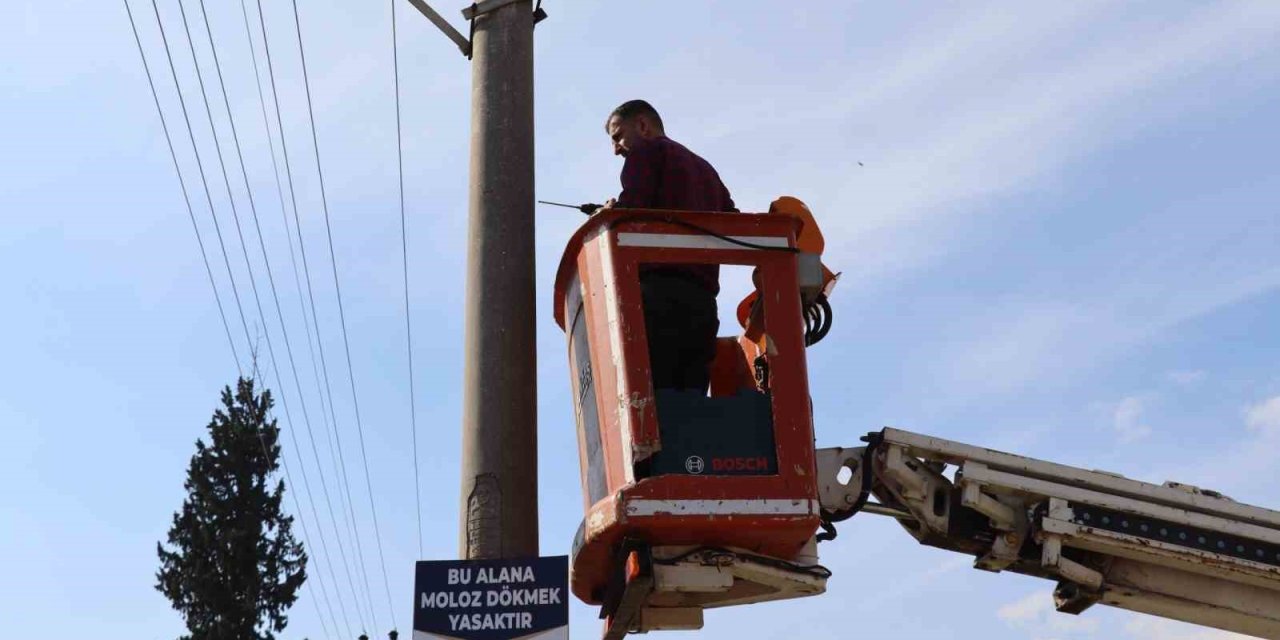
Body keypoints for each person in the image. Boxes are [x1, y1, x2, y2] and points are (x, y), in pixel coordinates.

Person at [600, 100, 737, 392]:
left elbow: (633, 207)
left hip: (657, 298)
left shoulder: (645, 153)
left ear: (642, 126)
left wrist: (612, 214)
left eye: (617, 136)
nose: (616, 149)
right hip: (703, 305)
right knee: (691, 400)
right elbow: (733, 223)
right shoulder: (705, 169)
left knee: (654, 401)